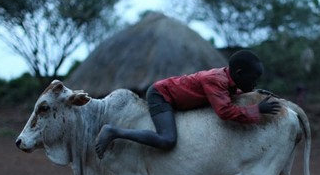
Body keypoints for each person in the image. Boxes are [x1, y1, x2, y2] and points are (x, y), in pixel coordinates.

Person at [94, 49, 280, 158]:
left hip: (174, 96)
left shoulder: (226, 80)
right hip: (161, 95)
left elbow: (228, 94)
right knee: (167, 140)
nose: (254, 84)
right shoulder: (216, 79)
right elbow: (224, 111)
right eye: (253, 79)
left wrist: (251, 93)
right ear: (238, 73)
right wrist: (256, 109)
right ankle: (114, 131)